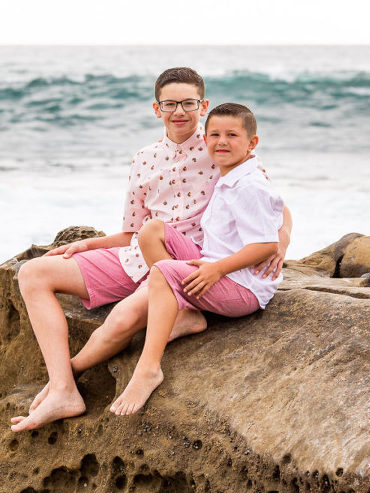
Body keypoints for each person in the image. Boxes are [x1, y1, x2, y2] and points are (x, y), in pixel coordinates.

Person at [10, 68, 292, 433]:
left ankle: (179, 311)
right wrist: (87, 244)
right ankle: (63, 389)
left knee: (120, 322)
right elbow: (133, 230)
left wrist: (279, 244)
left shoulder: (221, 149)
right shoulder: (145, 157)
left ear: (202, 106)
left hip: (193, 260)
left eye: (188, 103)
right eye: (170, 104)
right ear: (157, 109)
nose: (179, 112)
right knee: (33, 273)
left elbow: (276, 207)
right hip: (143, 250)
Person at [109, 103, 283, 415]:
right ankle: (186, 313)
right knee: (152, 231)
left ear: (252, 143)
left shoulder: (248, 185)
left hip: (243, 288)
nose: (222, 141)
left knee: (162, 271)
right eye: (214, 134)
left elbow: (266, 245)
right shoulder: (230, 176)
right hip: (216, 265)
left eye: (232, 135)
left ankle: (148, 368)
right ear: (204, 139)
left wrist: (217, 269)